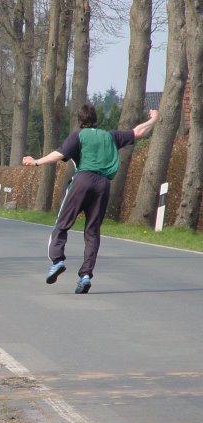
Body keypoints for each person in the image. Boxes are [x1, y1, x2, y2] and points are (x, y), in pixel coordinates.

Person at [22, 104, 159, 294]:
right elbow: (137, 132)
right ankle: (85, 275)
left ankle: (57, 261)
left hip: (82, 180)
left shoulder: (78, 136)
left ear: (80, 120)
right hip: (103, 185)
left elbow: (59, 154)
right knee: (92, 232)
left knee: (62, 223)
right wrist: (153, 119)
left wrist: (36, 161)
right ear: (96, 119)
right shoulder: (111, 136)